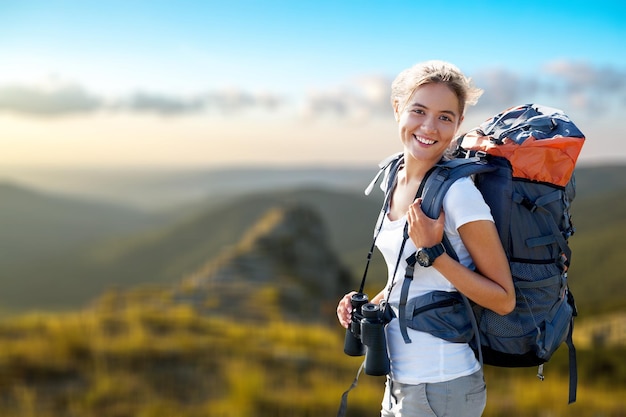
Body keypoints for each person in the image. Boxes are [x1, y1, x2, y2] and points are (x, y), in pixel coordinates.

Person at [336, 60, 515, 417]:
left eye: (445, 117)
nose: (429, 127)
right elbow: (410, 278)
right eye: (419, 110)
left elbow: (503, 300)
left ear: (458, 124)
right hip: (401, 382)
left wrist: (436, 252)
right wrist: (372, 301)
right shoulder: (394, 177)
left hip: (442, 384)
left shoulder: (459, 194)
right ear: (397, 108)